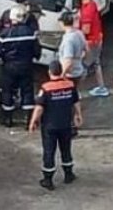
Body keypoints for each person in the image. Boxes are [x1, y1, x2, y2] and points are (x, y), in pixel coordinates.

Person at [29, 60, 83, 191]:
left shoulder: (46, 88)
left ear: (50, 72)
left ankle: (48, 179)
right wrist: (78, 115)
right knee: (66, 149)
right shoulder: (70, 85)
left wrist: (33, 121)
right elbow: (76, 102)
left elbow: (39, 108)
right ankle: (68, 174)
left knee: (49, 151)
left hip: (50, 126)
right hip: (65, 124)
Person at [0, 5, 40, 128]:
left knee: (7, 91)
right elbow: (37, 51)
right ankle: (28, 118)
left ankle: (7, 119)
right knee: (27, 90)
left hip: (9, 67)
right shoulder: (30, 33)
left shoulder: (4, 34)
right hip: (26, 65)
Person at [76, 0, 108, 97]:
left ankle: (76, 91)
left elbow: (86, 30)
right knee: (96, 63)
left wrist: (75, 30)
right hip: (97, 39)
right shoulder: (90, 4)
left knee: (84, 65)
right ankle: (101, 87)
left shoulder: (88, 9)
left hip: (91, 41)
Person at [57, 12, 86, 87]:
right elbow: (86, 50)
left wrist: (62, 75)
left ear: (62, 23)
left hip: (70, 75)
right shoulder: (79, 33)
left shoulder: (68, 40)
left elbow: (68, 61)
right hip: (79, 69)